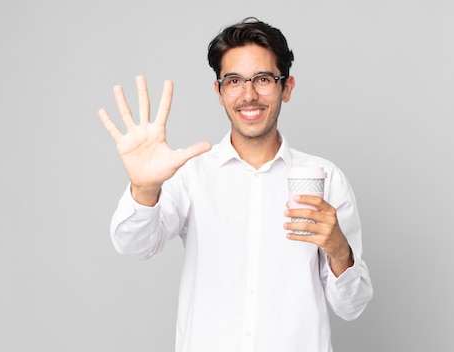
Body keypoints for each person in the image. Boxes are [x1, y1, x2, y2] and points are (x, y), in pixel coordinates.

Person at [98, 17, 373, 352]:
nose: (249, 95)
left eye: (263, 79)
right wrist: (143, 189)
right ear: (219, 91)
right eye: (233, 81)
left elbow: (351, 306)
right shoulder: (191, 173)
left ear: (286, 87)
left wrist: (339, 251)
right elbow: (135, 245)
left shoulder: (326, 178)